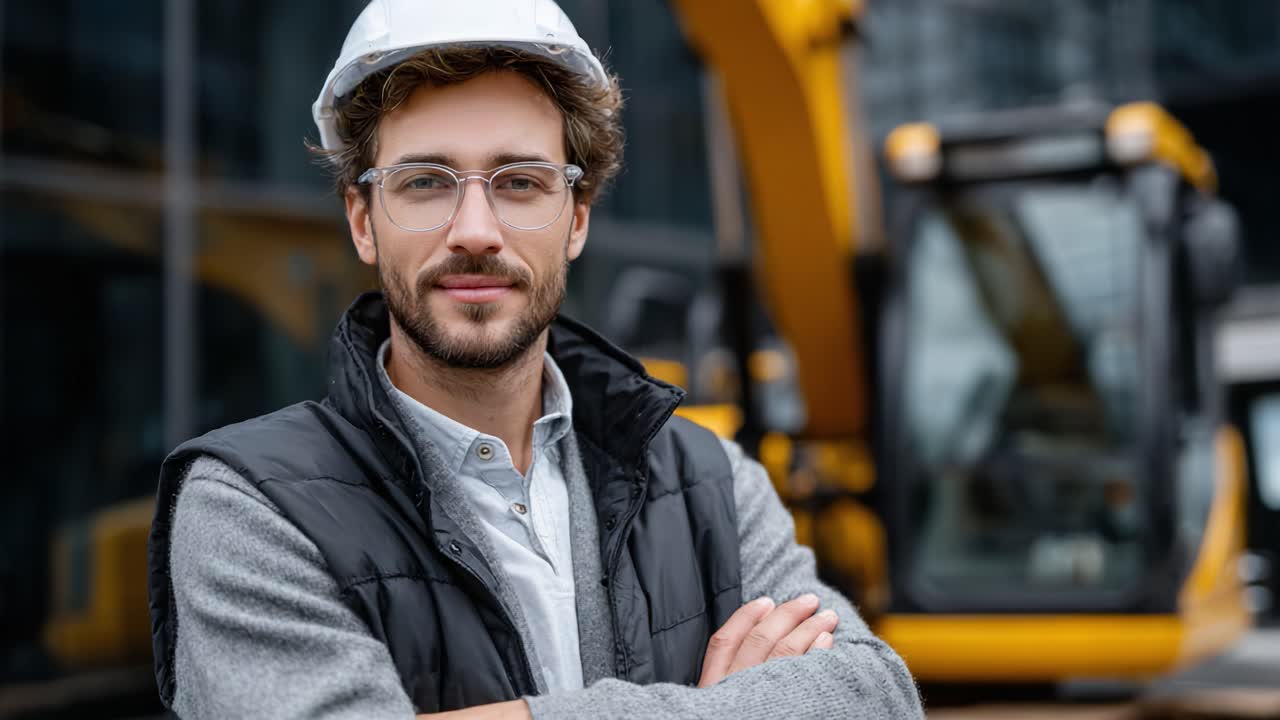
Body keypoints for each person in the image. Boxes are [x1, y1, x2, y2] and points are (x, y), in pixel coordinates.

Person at [146, 1, 924, 717]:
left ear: (577, 218)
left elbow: (878, 693)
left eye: (520, 183)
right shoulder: (249, 508)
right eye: (425, 182)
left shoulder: (711, 481)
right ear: (363, 220)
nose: (476, 228)